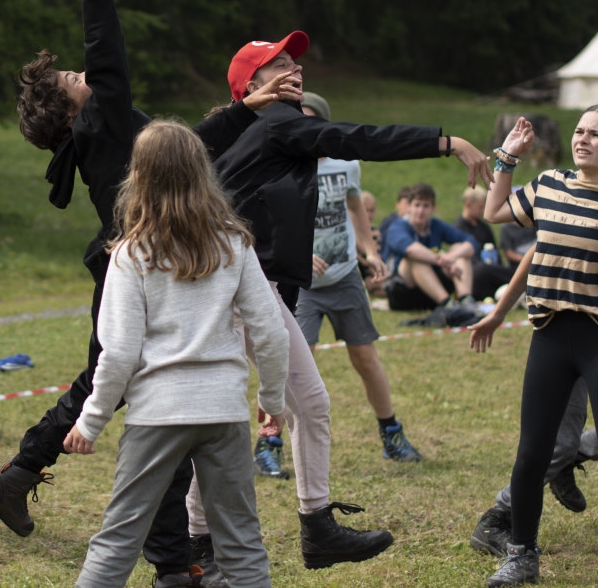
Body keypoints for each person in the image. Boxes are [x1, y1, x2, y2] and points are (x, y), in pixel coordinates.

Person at [0, 0, 299, 585]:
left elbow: (184, 149)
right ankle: (144, 545)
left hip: (139, 261)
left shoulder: (110, 131)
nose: (86, 74)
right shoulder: (101, 120)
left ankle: (140, 544)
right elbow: (108, 51)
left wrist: (244, 109)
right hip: (139, 265)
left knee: (120, 385)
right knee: (119, 384)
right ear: (69, 108)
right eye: (74, 79)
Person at [187, 39, 491, 572]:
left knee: (257, 411)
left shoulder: (255, 129)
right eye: (280, 63)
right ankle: (232, 539)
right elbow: (357, 137)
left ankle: (273, 532)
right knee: (254, 413)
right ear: (252, 86)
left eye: (294, 60)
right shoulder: (277, 122)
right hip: (236, 289)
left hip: (242, 286)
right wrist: (447, 142)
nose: (295, 66)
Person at [64, 120, 290, 588]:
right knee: (242, 545)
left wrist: (91, 420)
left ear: (138, 177)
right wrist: (273, 399)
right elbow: (270, 331)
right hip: (224, 412)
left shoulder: (130, 254)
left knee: (117, 541)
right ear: (202, 173)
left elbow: (119, 352)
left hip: (157, 417)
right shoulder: (234, 243)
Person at [470, 107, 598, 587]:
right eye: (579, 131)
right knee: (532, 454)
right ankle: (522, 556)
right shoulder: (550, 184)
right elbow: (494, 212)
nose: (582, 139)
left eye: (595, 134)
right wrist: (507, 159)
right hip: (549, 336)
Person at [292, 93, 422, 463]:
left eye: (311, 120)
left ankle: (391, 434)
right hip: (300, 283)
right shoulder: (280, 165)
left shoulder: (346, 164)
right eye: (296, 120)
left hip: (345, 275)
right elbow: (268, 223)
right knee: (294, 368)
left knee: (366, 358)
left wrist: (370, 251)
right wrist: (296, 255)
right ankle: (270, 443)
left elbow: (354, 206)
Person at [465, 243, 594, 557]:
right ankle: (498, 516)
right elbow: (532, 244)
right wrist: (498, 313)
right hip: (566, 332)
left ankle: (573, 454)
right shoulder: (570, 213)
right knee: (560, 444)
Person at [385, 183, 480, 308]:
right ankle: (448, 305)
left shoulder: (435, 225)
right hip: (403, 291)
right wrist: (444, 262)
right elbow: (410, 250)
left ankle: (466, 300)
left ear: (433, 208)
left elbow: (472, 242)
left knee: (458, 248)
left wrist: (451, 257)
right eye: (417, 205)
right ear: (409, 206)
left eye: (426, 206)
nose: (420, 211)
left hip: (432, 288)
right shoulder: (396, 227)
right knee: (415, 259)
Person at [455, 186, 517, 299]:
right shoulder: (458, 228)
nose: (483, 211)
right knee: (482, 270)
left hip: (491, 269)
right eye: (480, 207)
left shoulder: (484, 226)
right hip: (474, 271)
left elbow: (495, 250)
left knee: (513, 269)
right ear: (468, 204)